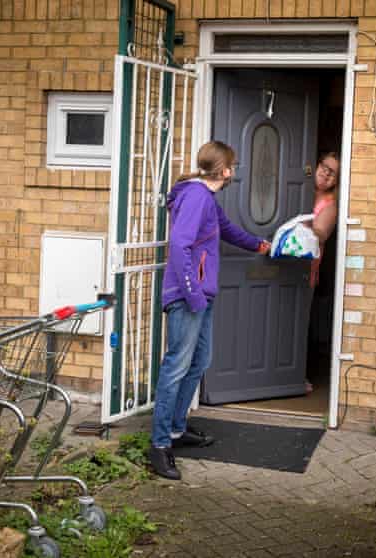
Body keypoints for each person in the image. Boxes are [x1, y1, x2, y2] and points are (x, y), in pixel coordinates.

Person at [149, 140, 271, 481]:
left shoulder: (206, 199)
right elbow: (179, 244)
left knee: (199, 362)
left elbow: (227, 230)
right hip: (189, 296)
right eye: (234, 165)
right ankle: (159, 446)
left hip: (201, 295)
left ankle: (175, 430)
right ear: (225, 170)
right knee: (176, 367)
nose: (236, 170)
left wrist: (261, 244)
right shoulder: (197, 196)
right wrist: (192, 293)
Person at [305, 152, 340, 393]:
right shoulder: (299, 187)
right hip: (279, 262)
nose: (326, 173)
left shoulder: (330, 204)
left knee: (300, 321)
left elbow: (321, 234)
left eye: (333, 172)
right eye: (324, 166)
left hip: (307, 269)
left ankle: (297, 374)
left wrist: (301, 221)